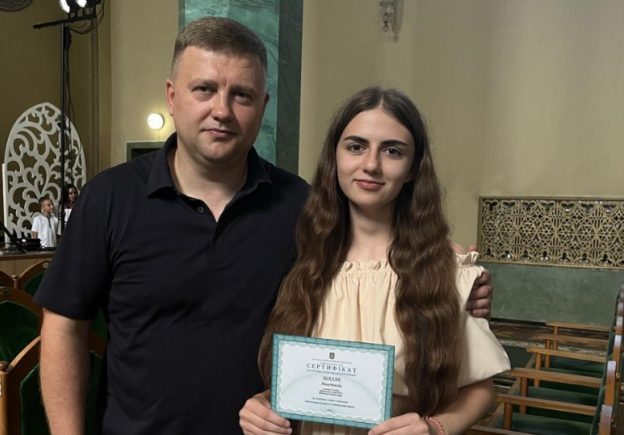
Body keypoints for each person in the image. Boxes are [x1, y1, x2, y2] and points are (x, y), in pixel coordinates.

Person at [34, 18, 494, 435]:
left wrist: (449, 269)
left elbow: (377, 246)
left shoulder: (302, 207)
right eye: (204, 89)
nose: (222, 110)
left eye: (242, 95)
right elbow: (63, 329)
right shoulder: (109, 198)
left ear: (263, 106)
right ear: (172, 96)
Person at [239, 88, 510, 435]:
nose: (371, 165)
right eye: (356, 147)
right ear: (335, 157)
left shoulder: (444, 269)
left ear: (412, 169)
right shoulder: (304, 263)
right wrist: (263, 405)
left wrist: (435, 429)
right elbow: (304, 381)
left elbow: (480, 389)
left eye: (392, 151)